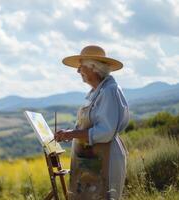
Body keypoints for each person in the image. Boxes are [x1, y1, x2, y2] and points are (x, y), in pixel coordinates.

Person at [54, 45, 129, 200]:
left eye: (81, 66)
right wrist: (71, 133)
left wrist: (72, 134)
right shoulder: (99, 91)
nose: (78, 71)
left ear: (93, 68)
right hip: (94, 159)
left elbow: (105, 132)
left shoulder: (109, 90)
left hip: (105, 159)